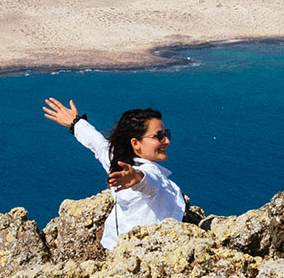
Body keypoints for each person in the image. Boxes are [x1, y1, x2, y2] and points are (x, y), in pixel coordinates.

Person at [42, 97, 184, 249]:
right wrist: (137, 177)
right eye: (159, 136)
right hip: (148, 250)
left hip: (115, 244)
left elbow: (99, 144)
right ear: (135, 143)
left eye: (166, 133)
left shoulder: (117, 161)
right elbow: (150, 181)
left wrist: (75, 123)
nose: (167, 141)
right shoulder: (146, 172)